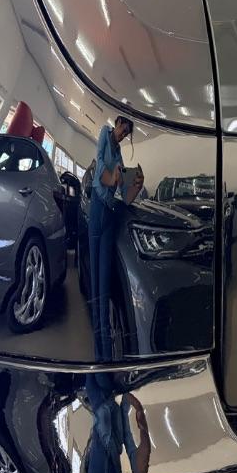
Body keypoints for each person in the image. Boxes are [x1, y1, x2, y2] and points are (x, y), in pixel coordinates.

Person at [88, 116, 144, 362]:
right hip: (97, 208)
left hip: (109, 213)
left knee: (104, 280)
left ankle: (104, 347)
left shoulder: (120, 156)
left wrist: (136, 185)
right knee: (95, 277)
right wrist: (113, 177)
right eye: (123, 129)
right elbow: (100, 164)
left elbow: (126, 195)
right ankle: (97, 345)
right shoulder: (104, 133)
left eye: (127, 133)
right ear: (117, 123)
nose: (123, 134)